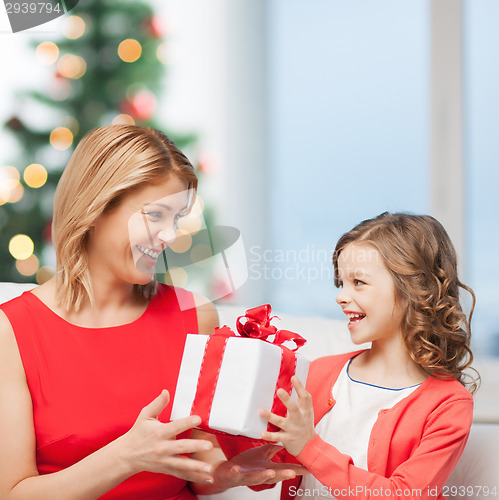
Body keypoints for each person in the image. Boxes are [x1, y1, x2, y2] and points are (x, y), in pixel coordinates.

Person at [0, 125, 302, 500]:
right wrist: (125, 457)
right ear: (96, 207)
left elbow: (193, 471)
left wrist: (224, 474)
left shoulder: (196, 316)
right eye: (155, 215)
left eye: (176, 219)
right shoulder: (11, 331)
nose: (171, 236)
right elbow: (12, 493)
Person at [258, 212, 480, 499]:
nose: (341, 296)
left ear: (413, 288)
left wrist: (308, 446)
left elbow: (402, 495)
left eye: (358, 282)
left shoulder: (449, 404)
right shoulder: (319, 372)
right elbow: (275, 468)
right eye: (342, 283)